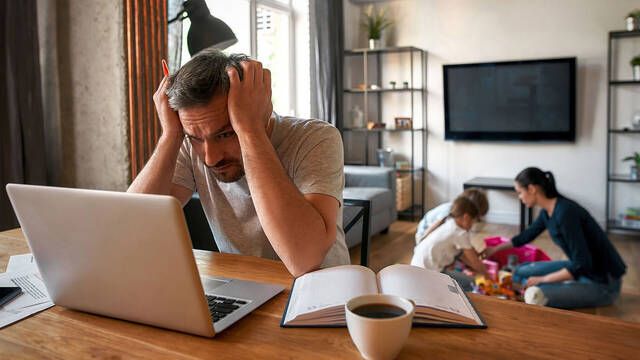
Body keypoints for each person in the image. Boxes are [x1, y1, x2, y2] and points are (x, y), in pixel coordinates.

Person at [127, 49, 350, 277]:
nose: (210, 158)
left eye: (225, 134)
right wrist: (171, 135)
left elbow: (303, 260)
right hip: (245, 288)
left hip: (321, 293)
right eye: (194, 137)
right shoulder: (190, 143)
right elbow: (129, 229)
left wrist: (249, 130)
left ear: (259, 110)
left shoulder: (315, 138)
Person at [483, 167, 627, 309]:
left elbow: (582, 263)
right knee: (520, 271)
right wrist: (494, 249)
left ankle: (548, 287)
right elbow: (526, 235)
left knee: (535, 295)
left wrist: (542, 279)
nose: (520, 198)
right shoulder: (549, 211)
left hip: (603, 283)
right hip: (581, 268)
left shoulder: (565, 213)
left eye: (520, 192)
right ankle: (549, 286)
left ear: (532, 189)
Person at [411, 196, 488, 291]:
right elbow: (474, 261)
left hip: (417, 267)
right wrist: (488, 276)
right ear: (466, 217)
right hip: (428, 273)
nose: (472, 226)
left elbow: (463, 255)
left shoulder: (449, 222)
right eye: (473, 222)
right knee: (470, 284)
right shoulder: (460, 233)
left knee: (461, 277)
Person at [415, 188, 489, 243]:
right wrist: (422, 241)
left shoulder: (459, 214)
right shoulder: (449, 210)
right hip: (425, 231)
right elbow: (435, 226)